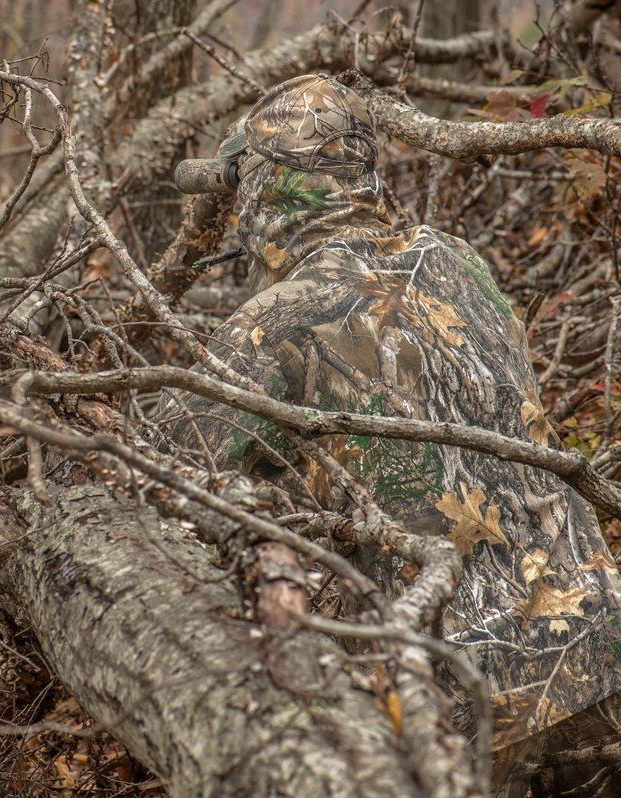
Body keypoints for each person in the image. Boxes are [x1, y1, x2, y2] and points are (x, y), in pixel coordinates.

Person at [163, 73, 621, 795]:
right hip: (598, 650)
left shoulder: (276, 321)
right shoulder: (459, 259)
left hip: (457, 709)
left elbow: (152, 479)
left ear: (264, 193)